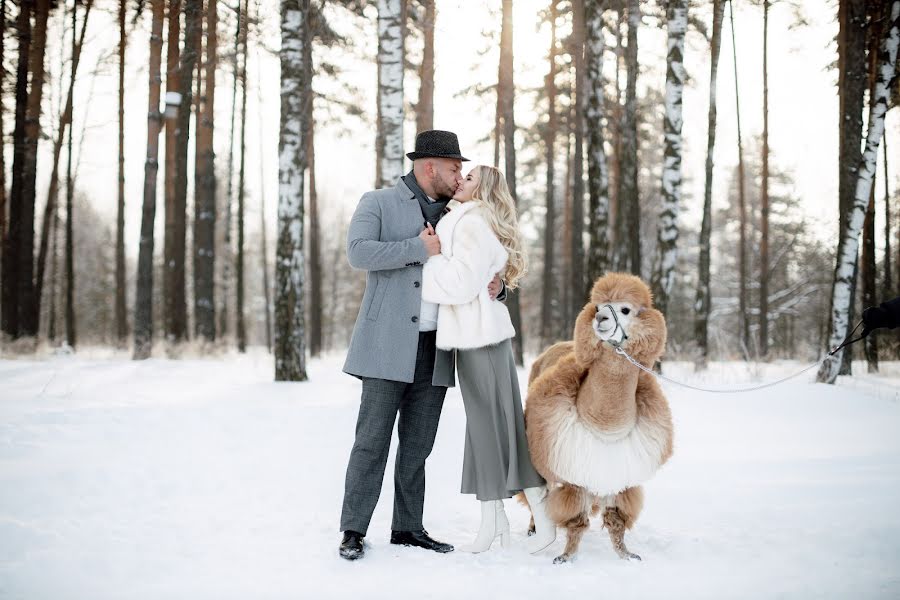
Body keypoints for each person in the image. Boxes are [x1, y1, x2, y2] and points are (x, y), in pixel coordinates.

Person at [338, 130, 504, 561]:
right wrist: (418, 248)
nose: (459, 176)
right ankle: (353, 530)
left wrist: (498, 285)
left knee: (418, 445)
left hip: (438, 346)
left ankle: (408, 527)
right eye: (454, 169)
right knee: (371, 441)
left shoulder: (466, 211)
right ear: (430, 167)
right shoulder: (377, 202)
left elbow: (487, 257)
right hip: (384, 345)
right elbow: (358, 253)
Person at [421, 165, 556, 554]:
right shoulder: (463, 219)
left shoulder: (471, 223)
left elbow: (461, 283)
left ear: (483, 192)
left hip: (482, 338)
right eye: (463, 176)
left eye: (470, 179)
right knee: (485, 431)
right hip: (471, 338)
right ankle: (493, 520)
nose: (460, 181)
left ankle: (543, 519)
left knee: (503, 427)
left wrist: (428, 259)